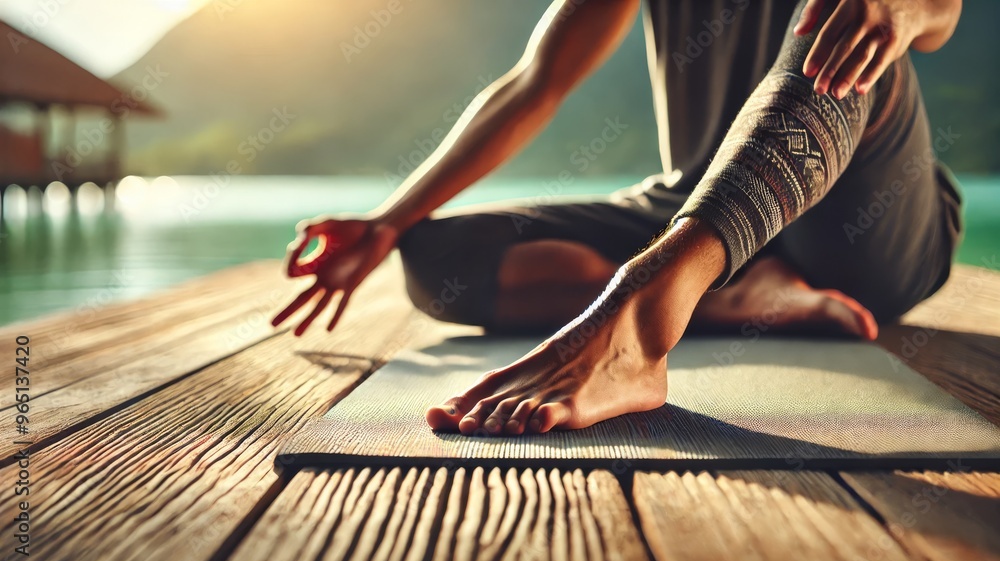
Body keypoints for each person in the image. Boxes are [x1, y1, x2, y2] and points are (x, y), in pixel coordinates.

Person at [273, 0, 963, 436]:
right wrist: (388, 223)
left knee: (847, 33)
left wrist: (902, 10)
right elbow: (536, 82)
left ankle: (646, 312)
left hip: (862, 235)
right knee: (437, 257)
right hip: (699, 201)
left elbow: (942, 11)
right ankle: (724, 296)